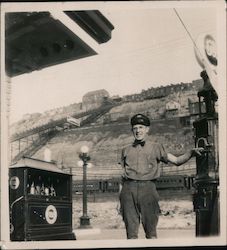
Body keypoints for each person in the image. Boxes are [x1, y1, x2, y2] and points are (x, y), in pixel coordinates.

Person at [118, 113, 204, 239]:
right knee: (131, 234)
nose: (138, 130)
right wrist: (120, 198)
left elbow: (176, 161)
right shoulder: (125, 149)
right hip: (127, 190)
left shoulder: (156, 147)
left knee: (151, 232)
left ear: (147, 129)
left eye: (141, 127)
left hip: (148, 189)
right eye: (135, 128)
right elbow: (121, 177)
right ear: (132, 130)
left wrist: (190, 153)